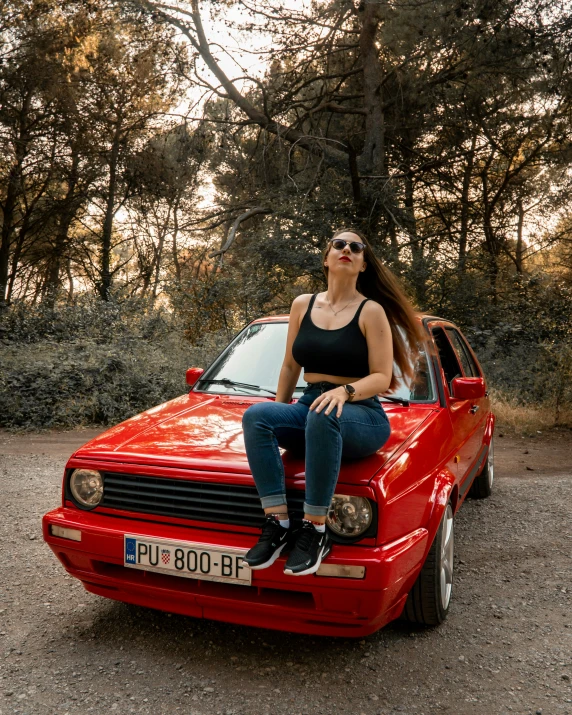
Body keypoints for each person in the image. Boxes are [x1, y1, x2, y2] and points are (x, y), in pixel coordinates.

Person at [241, 228, 423, 576]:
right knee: (257, 416)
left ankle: (316, 528)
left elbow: (382, 377)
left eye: (357, 247)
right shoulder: (302, 305)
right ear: (326, 258)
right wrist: (279, 419)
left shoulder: (371, 312)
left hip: (361, 413)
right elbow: (290, 365)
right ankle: (278, 524)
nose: (347, 249)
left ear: (363, 265)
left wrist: (346, 392)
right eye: (338, 244)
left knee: (323, 415)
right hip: (311, 405)